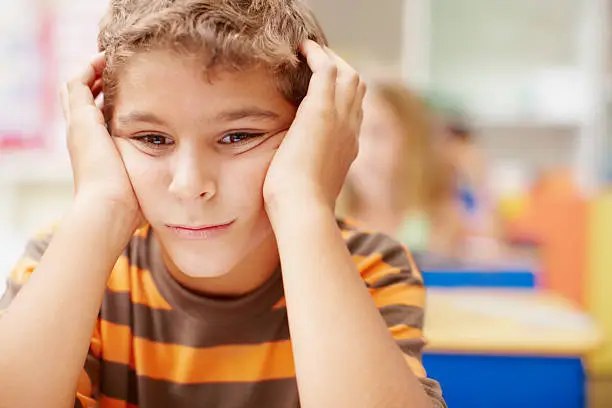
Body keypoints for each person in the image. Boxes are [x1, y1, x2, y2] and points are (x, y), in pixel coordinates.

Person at [0, 1, 445, 408]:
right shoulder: (69, 261)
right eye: (152, 139)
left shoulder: (369, 266)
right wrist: (101, 205)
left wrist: (302, 204)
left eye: (238, 136)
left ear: (317, 133)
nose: (190, 185)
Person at [341, 80, 465, 257]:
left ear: (413, 142)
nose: (364, 149)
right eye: (356, 132)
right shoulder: (329, 219)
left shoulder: (440, 220)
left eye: (379, 133)